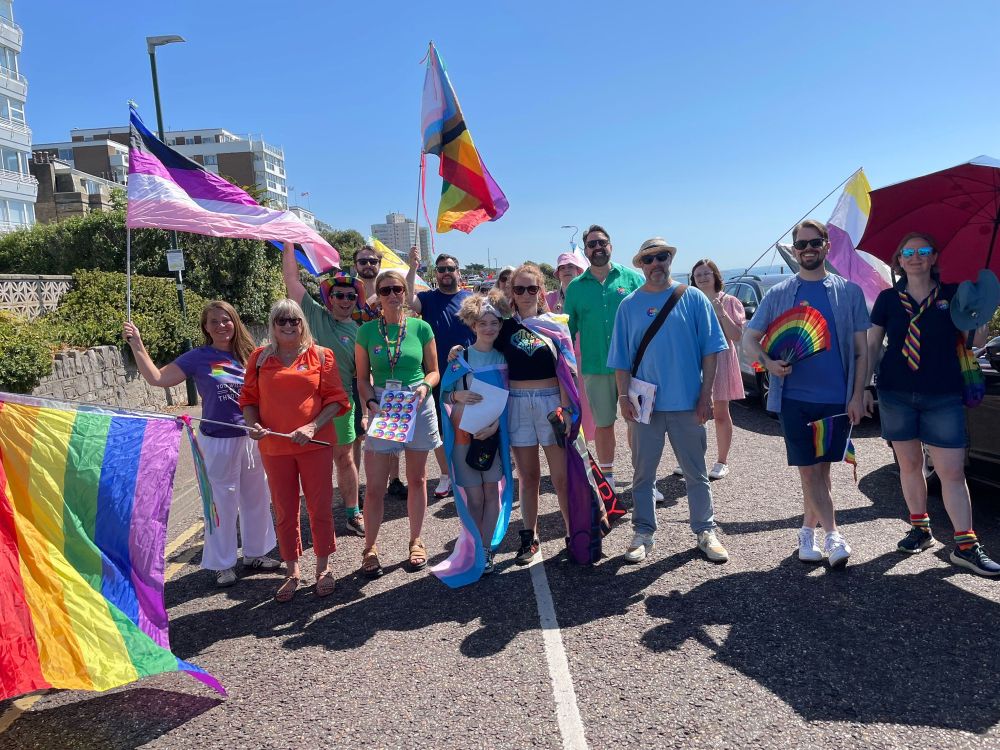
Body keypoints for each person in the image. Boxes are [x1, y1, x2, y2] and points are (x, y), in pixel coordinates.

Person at [865, 232, 998, 576]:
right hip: (895, 393)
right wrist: (863, 388)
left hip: (943, 394)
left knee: (951, 471)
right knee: (910, 466)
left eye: (923, 251)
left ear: (934, 257)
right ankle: (920, 528)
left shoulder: (953, 293)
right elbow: (872, 346)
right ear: (898, 259)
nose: (915, 256)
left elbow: (976, 339)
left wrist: (977, 313)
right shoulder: (887, 299)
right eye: (907, 251)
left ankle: (966, 546)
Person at [743, 219, 870, 568]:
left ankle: (805, 534)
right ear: (794, 250)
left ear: (827, 245)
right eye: (801, 245)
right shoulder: (779, 294)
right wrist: (768, 363)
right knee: (810, 472)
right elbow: (749, 340)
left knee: (823, 472)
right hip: (794, 399)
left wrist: (858, 394)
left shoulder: (849, 292)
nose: (808, 249)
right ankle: (834, 536)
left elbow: (862, 351)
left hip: (836, 399)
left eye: (815, 243)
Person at [124, 303, 279, 588]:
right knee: (221, 503)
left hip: (251, 437)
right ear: (205, 327)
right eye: (214, 322)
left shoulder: (252, 355)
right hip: (217, 440)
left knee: (256, 498)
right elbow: (158, 378)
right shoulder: (198, 357)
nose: (221, 326)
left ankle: (256, 553)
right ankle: (223, 565)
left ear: (235, 322)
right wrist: (137, 344)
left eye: (226, 320)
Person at [609, 238, 730, 564]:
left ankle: (706, 531)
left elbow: (711, 351)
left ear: (669, 260)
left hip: (687, 403)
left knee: (696, 473)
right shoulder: (629, 305)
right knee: (643, 475)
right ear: (641, 265)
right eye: (649, 259)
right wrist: (623, 396)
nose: (656, 263)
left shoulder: (692, 299)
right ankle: (643, 533)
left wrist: (706, 396)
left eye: (662, 256)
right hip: (644, 405)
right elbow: (621, 358)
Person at [240, 299, 350, 602]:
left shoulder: (321, 356)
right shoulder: (259, 359)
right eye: (281, 321)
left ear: (303, 323)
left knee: (320, 506)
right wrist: (254, 425)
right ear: (273, 325)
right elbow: (248, 399)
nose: (288, 326)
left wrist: (313, 426)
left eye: (294, 320)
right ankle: (292, 570)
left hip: (314, 445)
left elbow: (336, 399)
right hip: (274, 447)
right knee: (285, 510)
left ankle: (323, 568)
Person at [356, 269, 443, 577]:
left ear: (405, 293)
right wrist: (371, 404)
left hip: (417, 403)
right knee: (376, 486)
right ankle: (370, 547)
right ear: (377, 297)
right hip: (383, 406)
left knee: (417, 479)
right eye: (385, 290)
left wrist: (425, 387)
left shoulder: (421, 328)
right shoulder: (366, 332)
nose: (392, 294)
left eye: (397, 289)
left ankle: (416, 540)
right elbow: (361, 379)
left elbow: (433, 371)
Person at [282, 242, 364, 537]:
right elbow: (291, 280)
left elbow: (364, 376)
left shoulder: (359, 332)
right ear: (329, 298)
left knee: (345, 459)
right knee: (312, 465)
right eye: (339, 295)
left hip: (342, 405)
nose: (345, 300)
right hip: (307, 405)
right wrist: (288, 241)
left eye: (350, 296)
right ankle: (317, 519)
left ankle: (353, 513)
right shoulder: (314, 316)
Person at [564, 225, 650, 493]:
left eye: (601, 242)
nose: (597, 247)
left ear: (610, 245)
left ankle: (644, 480)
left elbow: (650, 318)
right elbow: (568, 331)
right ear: (586, 250)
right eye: (591, 244)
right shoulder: (576, 288)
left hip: (635, 368)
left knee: (638, 424)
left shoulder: (633, 279)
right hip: (595, 367)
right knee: (603, 424)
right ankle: (608, 481)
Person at [436, 294, 514, 582]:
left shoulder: (505, 357)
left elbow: (511, 398)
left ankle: (485, 550)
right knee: (476, 497)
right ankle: (476, 547)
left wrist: (495, 426)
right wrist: (456, 394)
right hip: (464, 437)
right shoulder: (461, 358)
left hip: (494, 438)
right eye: (483, 323)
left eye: (494, 322)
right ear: (472, 324)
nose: (489, 328)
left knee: (492, 493)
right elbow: (443, 393)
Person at [407, 247, 475, 500]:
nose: (446, 273)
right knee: (441, 428)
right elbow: (408, 300)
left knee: (468, 424)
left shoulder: (470, 298)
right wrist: (412, 267)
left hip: (468, 372)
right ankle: (447, 475)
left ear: (458, 272)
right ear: (436, 273)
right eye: (441, 269)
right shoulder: (428, 298)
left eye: (450, 269)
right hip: (436, 372)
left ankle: (468, 471)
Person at [691, 258, 746, 479]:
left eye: (707, 273)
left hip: (721, 359)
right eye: (698, 275)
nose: (703, 278)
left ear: (715, 276)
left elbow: (736, 336)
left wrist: (720, 311)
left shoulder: (730, 301)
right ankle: (692, 459)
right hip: (694, 361)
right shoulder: (690, 301)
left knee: (721, 412)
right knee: (692, 413)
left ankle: (722, 461)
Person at [546, 250, 596, 442]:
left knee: (586, 407)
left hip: (583, 359)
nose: (567, 270)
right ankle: (568, 449)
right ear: (557, 273)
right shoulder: (549, 299)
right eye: (563, 267)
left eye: (571, 266)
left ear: (579, 270)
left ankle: (584, 452)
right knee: (562, 407)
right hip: (557, 362)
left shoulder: (587, 295)